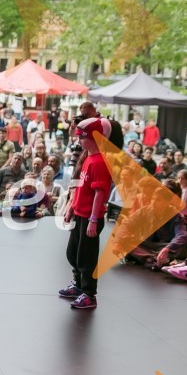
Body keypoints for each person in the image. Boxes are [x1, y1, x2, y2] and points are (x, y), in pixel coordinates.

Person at [60, 118, 113, 310]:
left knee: (87, 257)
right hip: (81, 214)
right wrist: (72, 208)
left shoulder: (100, 162)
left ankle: (89, 295)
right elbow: (81, 188)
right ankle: (78, 285)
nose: (79, 141)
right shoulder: (88, 158)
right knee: (73, 253)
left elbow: (100, 193)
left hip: (91, 217)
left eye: (83, 138)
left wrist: (93, 219)